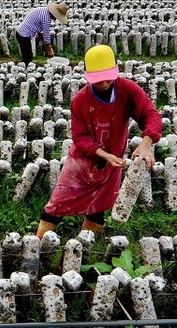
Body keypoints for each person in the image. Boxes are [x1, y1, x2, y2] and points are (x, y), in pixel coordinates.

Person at [36, 45, 161, 238]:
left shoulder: (128, 90)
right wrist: (103, 154)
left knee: (97, 209)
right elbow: (80, 137)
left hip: (112, 161)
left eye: (107, 77)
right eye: (97, 78)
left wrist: (146, 143)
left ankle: (83, 248)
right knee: (57, 205)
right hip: (82, 161)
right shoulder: (80, 100)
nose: (103, 83)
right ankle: (38, 245)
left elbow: (150, 114)